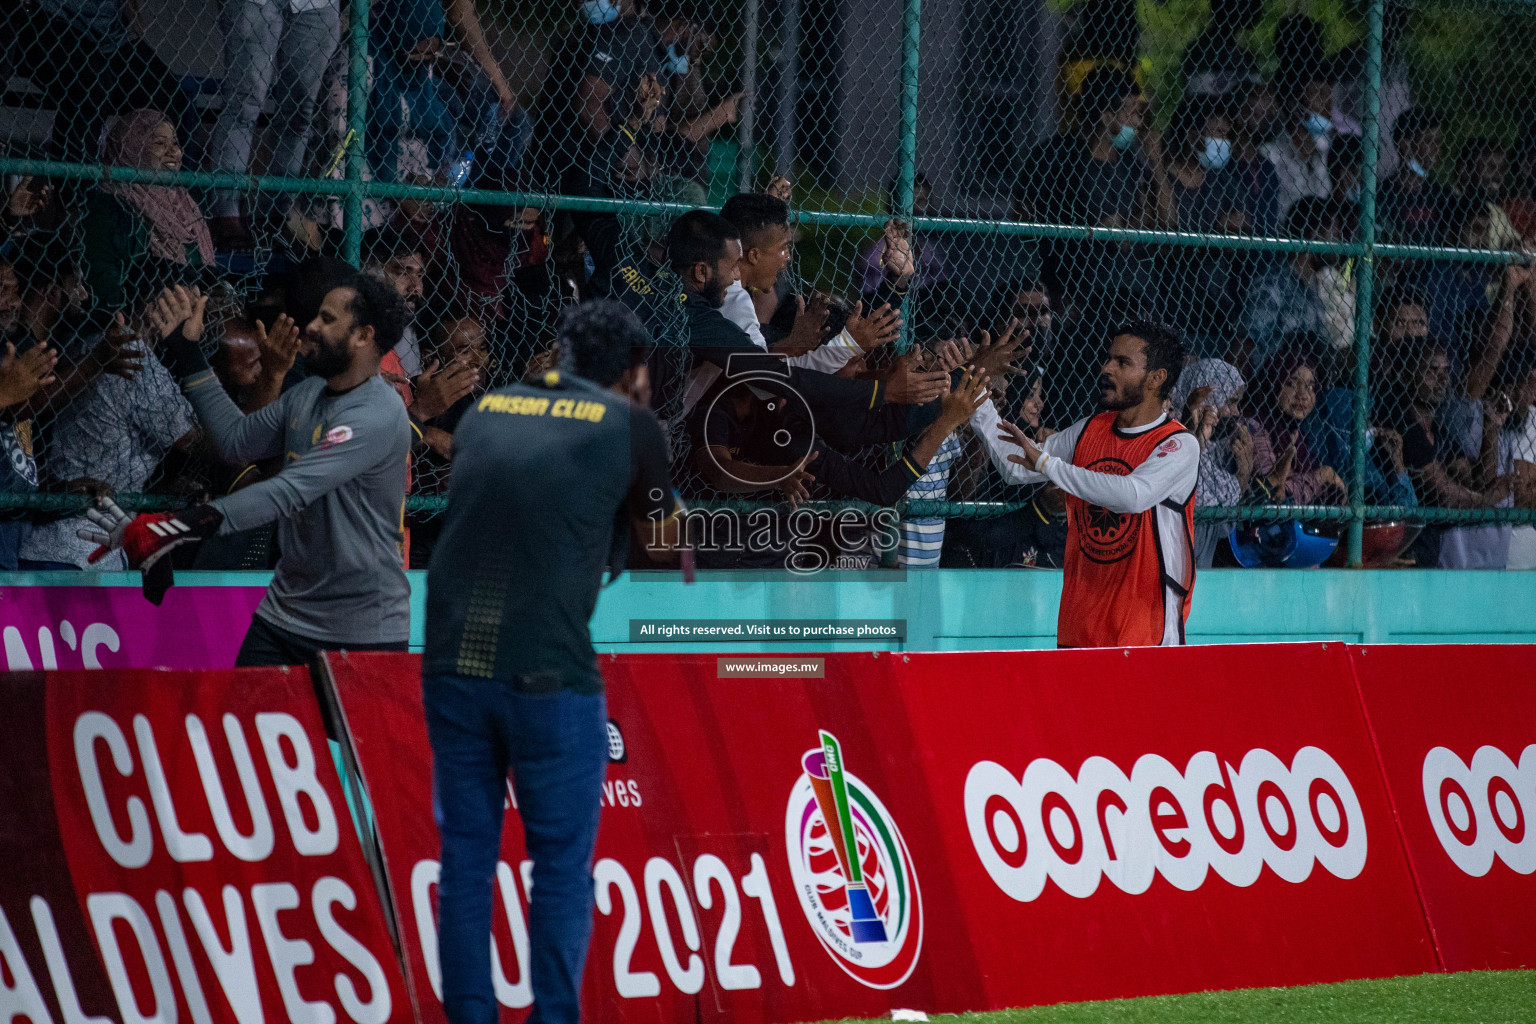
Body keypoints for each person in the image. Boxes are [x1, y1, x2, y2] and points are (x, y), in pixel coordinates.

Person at [422, 299, 681, 1024]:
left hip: (449, 664)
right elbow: (662, 540)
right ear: (633, 374)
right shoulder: (630, 424)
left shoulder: (485, 409)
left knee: (467, 858)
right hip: (549, 672)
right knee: (561, 867)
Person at [81, 276, 413, 671]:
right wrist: (187, 352)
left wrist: (174, 527)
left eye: (327, 319)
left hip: (362, 628)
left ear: (363, 336)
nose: (311, 326)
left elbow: (287, 491)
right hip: (284, 614)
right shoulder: (307, 395)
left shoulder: (378, 413)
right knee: (240, 727)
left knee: (355, 737)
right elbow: (235, 442)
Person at [982, 321, 1198, 647]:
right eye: (1109, 358)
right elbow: (1015, 467)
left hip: (1144, 633)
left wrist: (1047, 464)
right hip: (1078, 627)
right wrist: (974, 394)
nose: (1106, 368)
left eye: (1123, 363)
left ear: (1157, 378)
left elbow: (1133, 495)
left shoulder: (1178, 444)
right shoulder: (1090, 429)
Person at [206, 0, 342, 250]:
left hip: (318, 4)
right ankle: (226, 214)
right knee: (245, 102)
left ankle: (276, 217)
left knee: (300, 111)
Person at [83, 110, 215, 318]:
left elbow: (204, 274)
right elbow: (103, 280)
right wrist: (139, 313)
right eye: (160, 144)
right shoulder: (110, 209)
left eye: (175, 143)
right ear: (132, 147)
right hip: (143, 319)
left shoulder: (184, 204)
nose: (174, 152)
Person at [1171, 358, 1252, 567]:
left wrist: (1245, 469)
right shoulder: (1169, 429)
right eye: (1230, 402)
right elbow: (1206, 497)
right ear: (1210, 400)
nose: (1235, 412)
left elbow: (1224, 525)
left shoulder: (1218, 445)